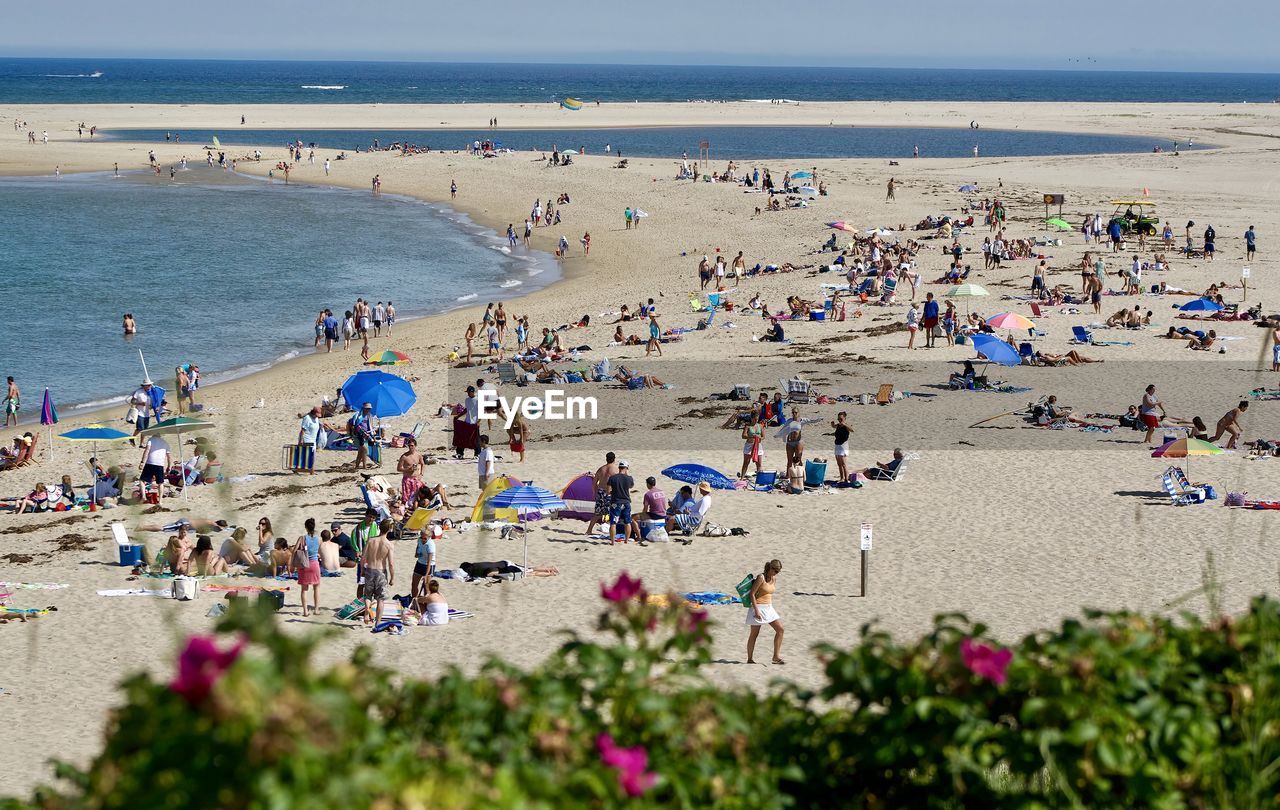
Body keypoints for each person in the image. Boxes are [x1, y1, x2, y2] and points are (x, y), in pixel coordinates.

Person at [746, 559, 785, 665]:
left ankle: (776, 657)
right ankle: (750, 659)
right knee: (754, 634)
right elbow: (752, 594)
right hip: (758, 607)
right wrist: (756, 610)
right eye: (775, 571)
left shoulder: (774, 578)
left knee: (780, 629)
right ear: (770, 568)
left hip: (769, 608)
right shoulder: (761, 577)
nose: (776, 573)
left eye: (778, 572)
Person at [361, 519, 396, 626]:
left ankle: (367, 609)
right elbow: (391, 564)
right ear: (389, 529)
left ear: (379, 528)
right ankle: (377, 622)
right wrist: (392, 578)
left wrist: (362, 570)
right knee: (381, 599)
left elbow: (363, 558)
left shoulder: (371, 540)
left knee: (368, 595)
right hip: (381, 571)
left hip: (370, 569)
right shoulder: (389, 545)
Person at [586, 452, 619, 536]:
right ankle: (612, 532)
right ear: (614, 459)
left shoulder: (601, 469)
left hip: (600, 493)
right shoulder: (616, 470)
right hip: (610, 493)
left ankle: (589, 530)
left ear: (606, 459)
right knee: (613, 513)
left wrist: (595, 493)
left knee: (597, 513)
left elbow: (594, 483)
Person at [294, 518, 322, 616]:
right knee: (316, 587)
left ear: (306, 527)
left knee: (304, 589)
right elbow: (320, 552)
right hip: (314, 564)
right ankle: (316, 609)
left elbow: (294, 551)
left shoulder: (302, 538)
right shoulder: (319, 539)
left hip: (304, 565)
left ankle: (305, 611)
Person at [607, 460, 636, 544]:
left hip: (615, 502)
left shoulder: (612, 478)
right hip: (626, 502)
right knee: (627, 522)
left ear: (619, 468)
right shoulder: (629, 478)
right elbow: (631, 486)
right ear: (626, 468)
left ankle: (612, 542)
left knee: (613, 523)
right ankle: (626, 540)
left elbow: (608, 491)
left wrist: (614, 492)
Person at [412, 524, 442, 598]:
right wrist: (417, 553)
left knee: (426, 586)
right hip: (420, 563)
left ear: (429, 537)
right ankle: (414, 600)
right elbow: (418, 547)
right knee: (414, 584)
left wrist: (426, 575)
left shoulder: (430, 545)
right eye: (422, 537)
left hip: (429, 565)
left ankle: (426, 603)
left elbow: (429, 561)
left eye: (425, 538)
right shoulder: (419, 540)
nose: (423, 540)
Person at [138, 433, 170, 502]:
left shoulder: (151, 439)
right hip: (160, 464)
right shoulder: (165, 442)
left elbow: (147, 450)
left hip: (150, 463)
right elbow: (169, 456)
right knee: (160, 483)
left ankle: (143, 497)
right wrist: (169, 466)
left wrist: (142, 462)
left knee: (142, 480)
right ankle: (160, 501)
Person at [296, 406, 322, 473]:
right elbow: (302, 430)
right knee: (309, 455)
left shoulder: (316, 419)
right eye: (316, 415)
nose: (317, 417)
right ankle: (311, 470)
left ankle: (310, 470)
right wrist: (301, 440)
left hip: (313, 439)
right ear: (313, 413)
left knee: (312, 455)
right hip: (306, 438)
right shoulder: (307, 418)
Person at [740, 412, 764, 478]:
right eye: (755, 419)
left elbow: (763, 436)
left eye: (757, 419)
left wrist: (759, 438)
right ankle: (742, 477)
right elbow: (743, 436)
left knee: (759, 463)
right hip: (749, 445)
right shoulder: (748, 426)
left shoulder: (760, 426)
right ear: (751, 418)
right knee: (746, 462)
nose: (756, 420)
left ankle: (760, 478)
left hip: (758, 445)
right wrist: (751, 437)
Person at [831, 412, 851, 483]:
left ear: (844, 418)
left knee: (844, 464)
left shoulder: (846, 426)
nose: (839, 420)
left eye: (841, 419)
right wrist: (832, 425)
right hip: (837, 445)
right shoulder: (838, 425)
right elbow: (835, 428)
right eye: (838, 419)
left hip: (843, 446)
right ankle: (842, 478)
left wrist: (845, 424)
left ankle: (846, 479)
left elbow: (852, 430)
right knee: (839, 464)